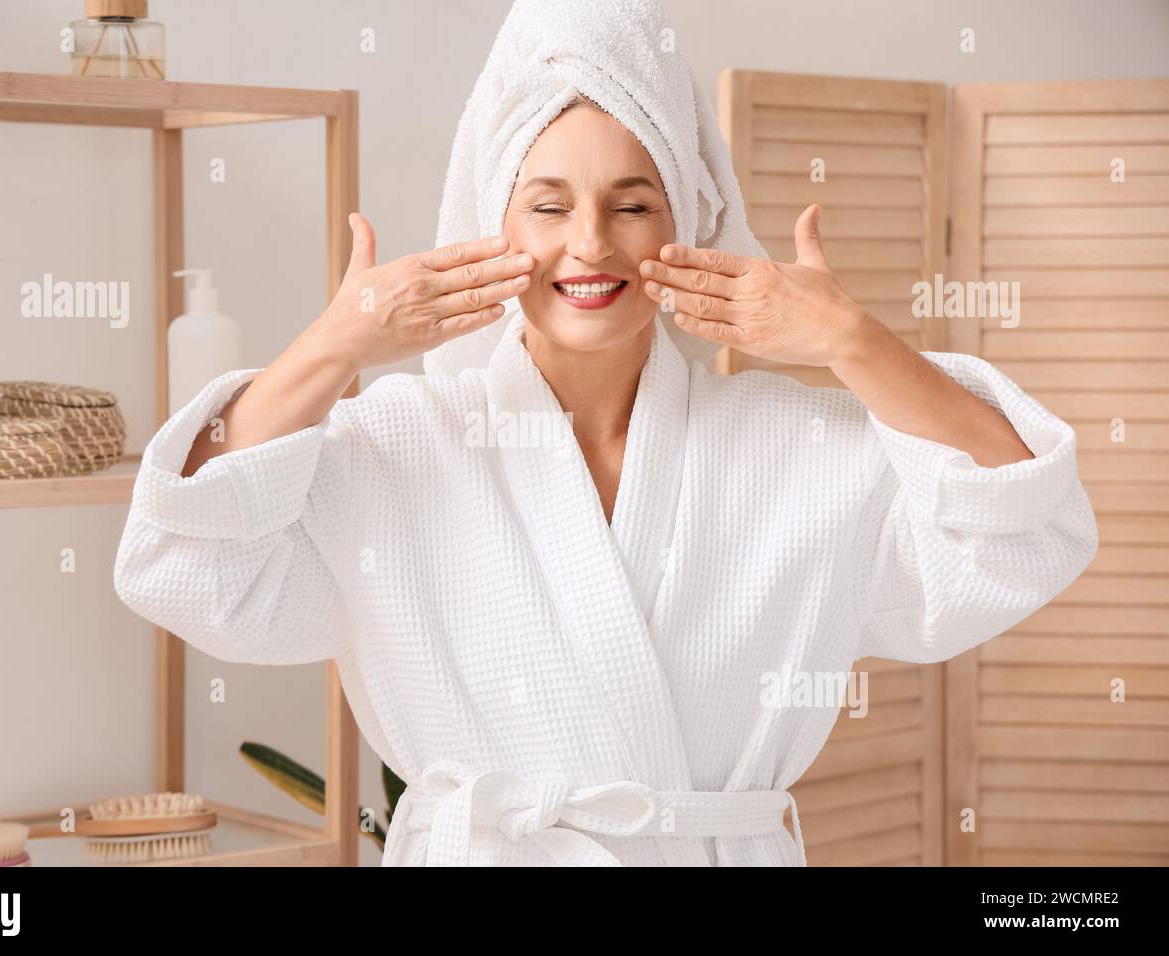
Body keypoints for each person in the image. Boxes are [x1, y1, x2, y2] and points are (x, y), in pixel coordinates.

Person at [113, 3, 1098, 867]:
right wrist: (334, 345)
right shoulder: (394, 444)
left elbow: (1023, 526)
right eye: (548, 205)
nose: (589, 243)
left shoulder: (799, 448)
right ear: (493, 227)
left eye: (632, 205)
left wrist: (850, 338)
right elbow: (181, 563)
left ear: (689, 224)